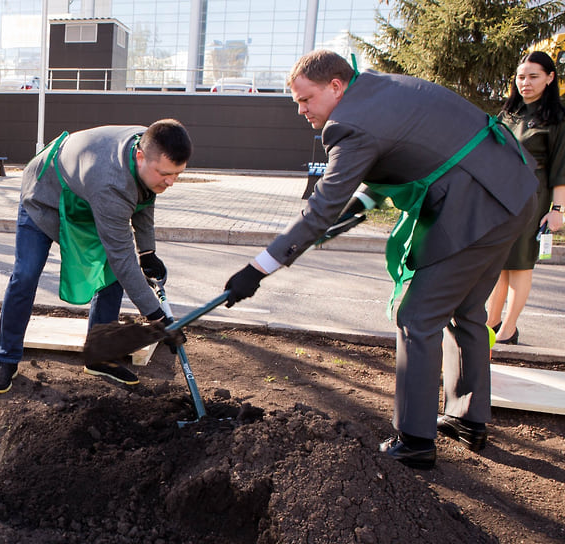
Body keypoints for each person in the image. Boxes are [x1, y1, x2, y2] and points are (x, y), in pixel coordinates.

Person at [222, 49, 538, 469]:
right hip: (514, 192)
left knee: (417, 318)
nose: (300, 110)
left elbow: (319, 211)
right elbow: (411, 145)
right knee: (466, 310)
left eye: (305, 99)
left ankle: (415, 440)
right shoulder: (376, 88)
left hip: (476, 209)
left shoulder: (349, 124)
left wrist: (257, 269)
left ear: (335, 86)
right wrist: (362, 202)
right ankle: (468, 418)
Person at [0, 119, 192, 394]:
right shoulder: (111, 182)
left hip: (86, 201)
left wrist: (147, 251)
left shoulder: (148, 146)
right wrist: (158, 317)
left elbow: (143, 199)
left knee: (111, 277)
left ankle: (99, 357)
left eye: (177, 174)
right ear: (140, 157)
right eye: (165, 173)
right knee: (25, 275)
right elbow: (122, 257)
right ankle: (6, 358)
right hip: (45, 196)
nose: (170, 181)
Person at [486, 51, 565, 346]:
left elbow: (561, 169)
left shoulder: (557, 119)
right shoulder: (507, 114)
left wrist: (557, 210)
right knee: (498, 262)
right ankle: (490, 324)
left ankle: (508, 329)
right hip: (501, 194)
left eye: (533, 76)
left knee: (519, 263)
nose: (525, 83)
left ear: (550, 78)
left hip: (534, 193)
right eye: (521, 77)